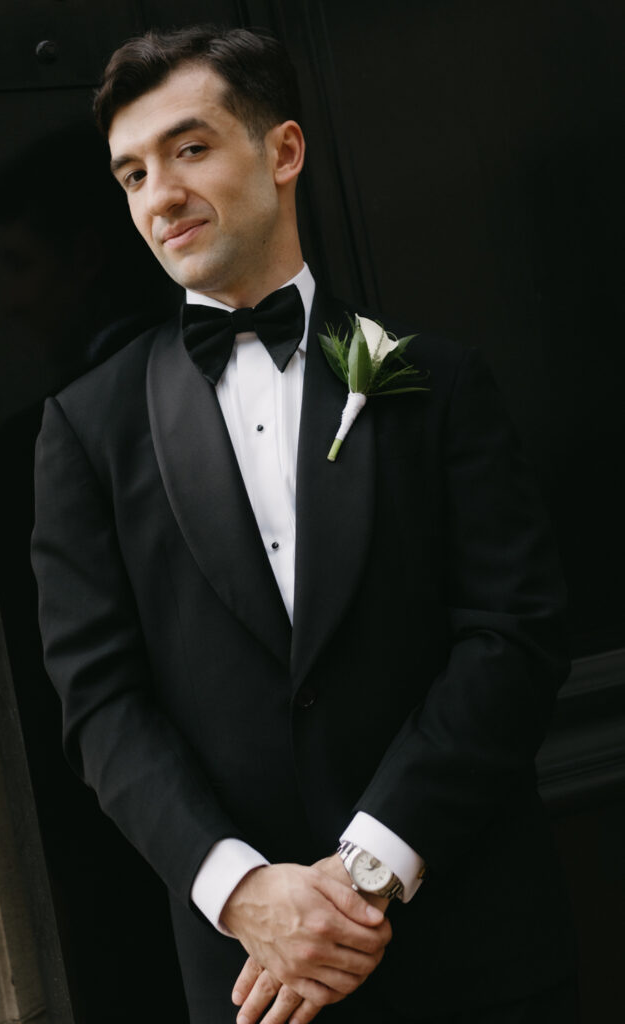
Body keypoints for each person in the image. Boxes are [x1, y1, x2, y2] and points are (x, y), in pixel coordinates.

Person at [31, 25, 577, 1024]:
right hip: (256, 986)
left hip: (477, 953)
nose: (158, 196)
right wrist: (246, 893)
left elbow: (513, 632)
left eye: (189, 149)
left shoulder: (432, 380)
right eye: (132, 172)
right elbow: (98, 703)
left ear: (281, 151)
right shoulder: (84, 428)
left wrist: (366, 870)